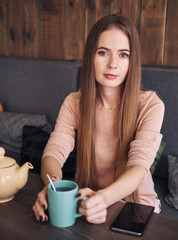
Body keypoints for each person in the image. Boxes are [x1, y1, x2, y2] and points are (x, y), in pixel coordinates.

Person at [33, 13, 164, 224]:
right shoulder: (74, 102)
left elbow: (138, 166)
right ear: (90, 57)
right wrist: (52, 187)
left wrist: (103, 198)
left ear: (133, 61)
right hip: (87, 202)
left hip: (135, 207)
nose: (113, 64)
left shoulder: (151, 104)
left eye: (123, 55)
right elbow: (54, 152)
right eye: (103, 52)